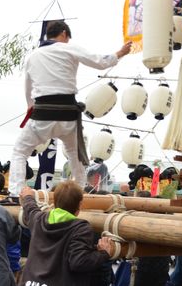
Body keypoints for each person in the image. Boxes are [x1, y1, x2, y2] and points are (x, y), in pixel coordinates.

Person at [9, 20, 131, 197]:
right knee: (75, 154)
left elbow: (28, 88)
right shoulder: (69, 49)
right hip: (68, 114)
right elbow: (100, 61)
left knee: (20, 152)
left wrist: (30, 107)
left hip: (42, 112)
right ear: (64, 33)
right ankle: (80, 191)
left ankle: (16, 192)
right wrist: (120, 53)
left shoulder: (33, 56)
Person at [15, 180, 112, 286]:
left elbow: (30, 209)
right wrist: (103, 253)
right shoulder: (80, 228)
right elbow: (78, 262)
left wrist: (28, 196)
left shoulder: (39, 219)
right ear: (80, 205)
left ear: (54, 202)